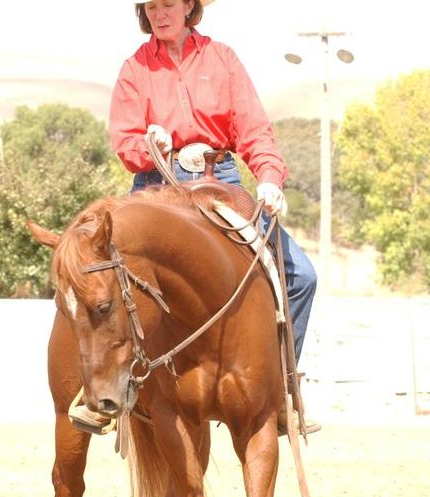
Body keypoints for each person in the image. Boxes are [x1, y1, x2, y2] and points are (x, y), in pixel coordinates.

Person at [108, 0, 319, 433]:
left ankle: (279, 386)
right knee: (107, 276)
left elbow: (255, 128)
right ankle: (105, 388)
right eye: (151, 6)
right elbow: (124, 139)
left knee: (301, 275)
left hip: (218, 173)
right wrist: (150, 144)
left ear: (189, 7)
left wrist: (269, 178)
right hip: (156, 180)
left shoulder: (222, 58)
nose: (159, 13)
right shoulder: (134, 68)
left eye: (169, 4)